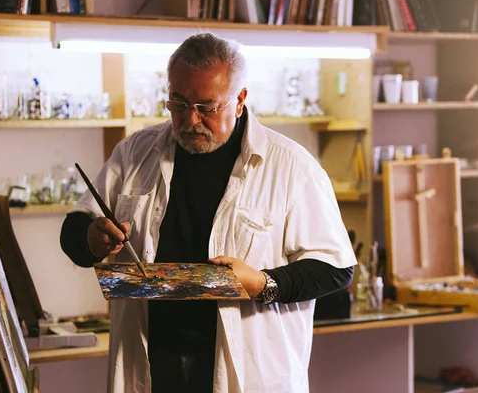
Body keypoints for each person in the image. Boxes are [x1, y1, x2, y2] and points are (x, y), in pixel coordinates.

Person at [60, 32, 356, 393]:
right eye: (179, 104)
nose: (190, 120)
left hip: (246, 371)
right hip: (154, 363)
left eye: (206, 107)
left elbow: (336, 268)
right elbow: (74, 230)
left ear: (240, 100)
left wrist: (263, 284)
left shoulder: (292, 168)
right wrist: (92, 238)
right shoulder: (135, 153)